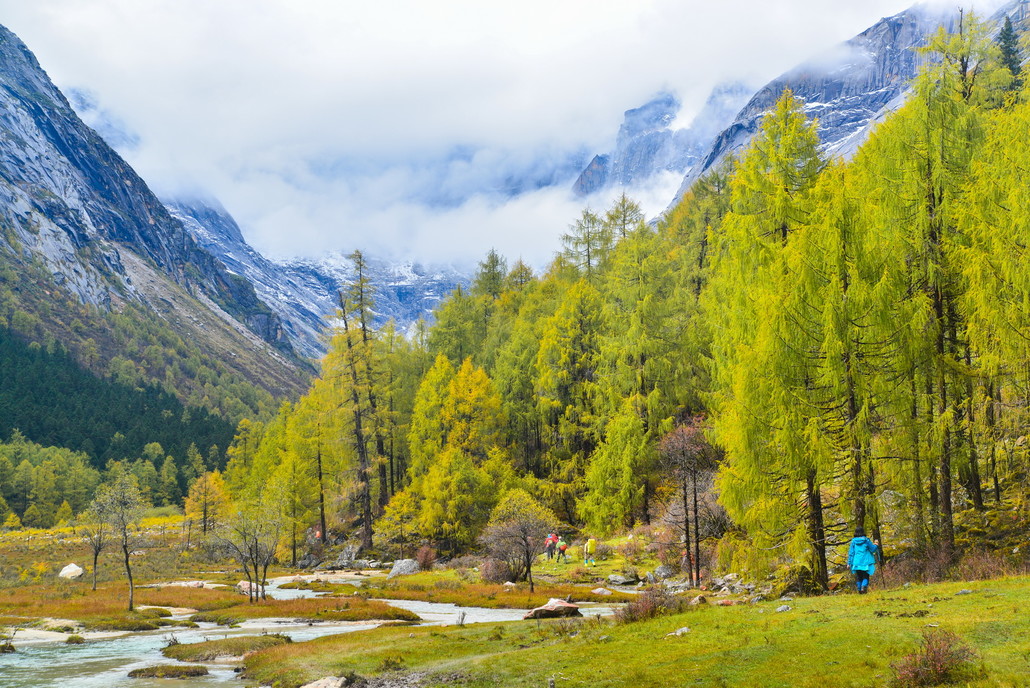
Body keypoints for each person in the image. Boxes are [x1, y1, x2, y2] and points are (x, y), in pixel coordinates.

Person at [848, 526, 879, 594]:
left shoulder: (853, 542)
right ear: (863, 532)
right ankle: (863, 588)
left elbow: (851, 553)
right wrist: (876, 545)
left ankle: (859, 590)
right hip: (865, 562)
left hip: (856, 562)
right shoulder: (866, 540)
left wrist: (849, 563)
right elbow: (873, 549)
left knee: (859, 577)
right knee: (865, 576)